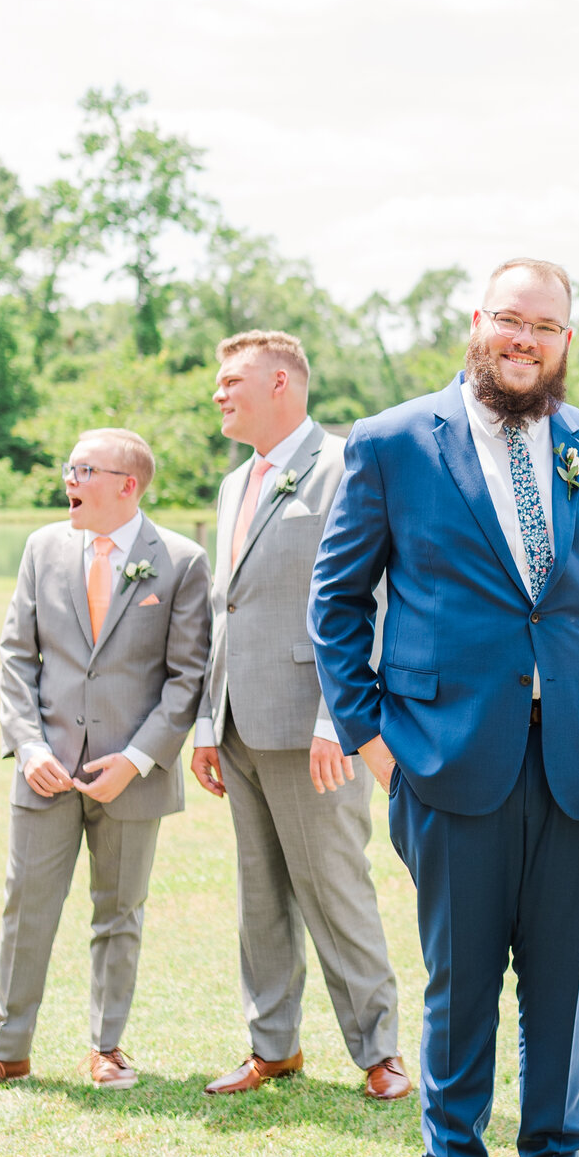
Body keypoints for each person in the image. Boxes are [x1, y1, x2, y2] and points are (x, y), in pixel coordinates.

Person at [311, 258, 579, 1157]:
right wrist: (371, 738)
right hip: (444, 759)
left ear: (566, 341)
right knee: (459, 982)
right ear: (476, 323)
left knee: (563, 981)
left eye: (545, 326)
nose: (526, 338)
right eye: (509, 319)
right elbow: (336, 602)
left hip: (578, 766)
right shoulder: (388, 443)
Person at [0, 429, 212, 1096]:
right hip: (44, 769)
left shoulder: (182, 560)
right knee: (25, 906)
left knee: (120, 911)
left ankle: (106, 1046)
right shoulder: (42, 548)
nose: (69, 480)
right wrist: (27, 745)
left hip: (131, 776)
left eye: (84, 469)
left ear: (127, 484)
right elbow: (16, 654)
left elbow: (186, 676)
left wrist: (137, 760)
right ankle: (4, 1048)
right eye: (69, 467)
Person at [189, 330, 407, 1103]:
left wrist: (335, 719)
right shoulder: (231, 484)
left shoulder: (346, 465)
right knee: (260, 892)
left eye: (232, 379)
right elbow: (229, 606)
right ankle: (271, 1044)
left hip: (315, 723)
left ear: (283, 383)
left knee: (334, 884)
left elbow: (370, 598)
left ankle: (379, 1050)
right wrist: (208, 724)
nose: (218, 392)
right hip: (239, 721)